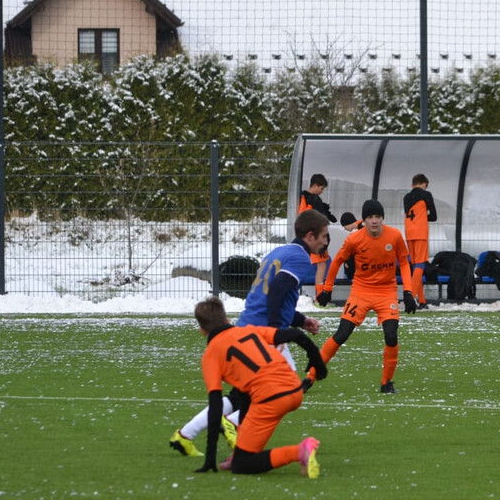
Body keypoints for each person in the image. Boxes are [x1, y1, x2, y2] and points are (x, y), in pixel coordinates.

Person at [169, 209, 331, 457]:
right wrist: (278, 332)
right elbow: (276, 291)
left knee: (244, 393)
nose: (325, 241)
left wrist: (300, 320)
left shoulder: (279, 252)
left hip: (249, 324)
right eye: (324, 236)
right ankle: (235, 425)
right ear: (310, 235)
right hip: (263, 332)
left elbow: (270, 295)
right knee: (286, 389)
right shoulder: (300, 258)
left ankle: (186, 435)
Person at [191, 296, 327, 477]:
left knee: (243, 465)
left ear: (202, 330)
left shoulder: (210, 356)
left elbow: (216, 408)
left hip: (271, 399)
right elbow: (296, 335)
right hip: (294, 389)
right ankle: (237, 454)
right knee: (245, 401)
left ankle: (300, 451)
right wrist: (318, 364)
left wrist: (210, 456)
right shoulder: (248, 330)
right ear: (227, 320)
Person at [310, 199, 417, 393]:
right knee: (342, 334)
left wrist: (408, 291)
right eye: (370, 217)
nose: (374, 221)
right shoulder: (354, 239)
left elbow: (404, 261)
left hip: (386, 291)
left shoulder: (394, 236)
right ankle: (310, 377)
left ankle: (386, 383)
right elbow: (337, 263)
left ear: (382, 218)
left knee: (391, 336)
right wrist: (327, 289)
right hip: (361, 291)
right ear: (364, 220)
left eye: (378, 217)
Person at [299, 173, 338, 295]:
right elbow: (302, 215)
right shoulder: (307, 199)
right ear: (315, 185)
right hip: (315, 239)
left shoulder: (309, 198)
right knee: (321, 265)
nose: (321, 192)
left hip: (314, 237)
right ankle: (319, 296)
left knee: (321, 264)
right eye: (321, 189)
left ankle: (318, 294)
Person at [403, 173, 438, 309]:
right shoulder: (426, 195)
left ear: (412, 184)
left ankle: (422, 301)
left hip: (409, 232)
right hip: (421, 232)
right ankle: (410, 297)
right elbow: (434, 216)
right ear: (424, 184)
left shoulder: (406, 197)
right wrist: (424, 218)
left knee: (415, 266)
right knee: (420, 265)